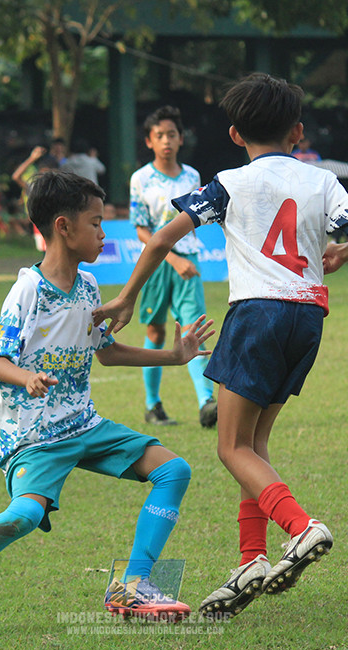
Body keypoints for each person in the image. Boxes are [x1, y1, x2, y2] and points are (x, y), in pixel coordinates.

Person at [93, 73, 348, 619]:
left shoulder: (228, 182)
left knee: (229, 447)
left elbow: (160, 237)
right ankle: (251, 559)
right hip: (308, 315)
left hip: (256, 314)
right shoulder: (321, 182)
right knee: (253, 445)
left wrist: (127, 299)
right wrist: (337, 256)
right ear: (297, 131)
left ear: (234, 133)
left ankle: (302, 526)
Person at [0, 170, 213, 640]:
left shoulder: (87, 287)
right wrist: (26, 376)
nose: (105, 234)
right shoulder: (28, 289)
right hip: (33, 435)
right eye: (97, 223)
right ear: (63, 226)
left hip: (82, 424)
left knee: (174, 470)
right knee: (23, 516)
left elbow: (104, 351)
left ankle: (133, 585)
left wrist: (173, 355)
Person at [129, 105, 217, 428]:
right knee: (156, 330)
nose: (166, 140)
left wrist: (184, 258)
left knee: (193, 328)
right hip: (155, 263)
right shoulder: (140, 179)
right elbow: (141, 229)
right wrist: (172, 258)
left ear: (181, 140)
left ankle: (207, 402)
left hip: (188, 262)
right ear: (149, 141)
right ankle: (153, 406)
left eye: (172, 135)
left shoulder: (193, 176)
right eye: (159, 135)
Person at [12, 145, 60, 250]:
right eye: (43, 172)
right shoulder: (35, 187)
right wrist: (32, 158)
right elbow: (16, 176)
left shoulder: (60, 188)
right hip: (42, 225)